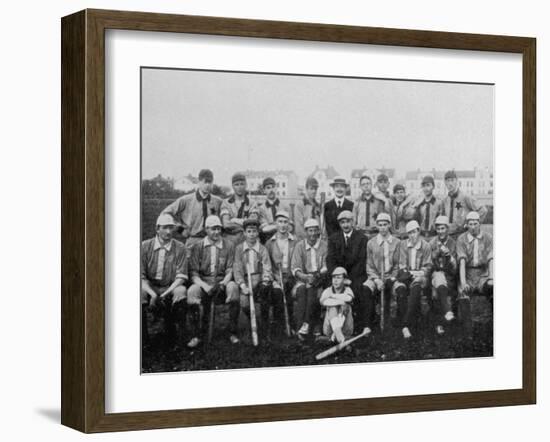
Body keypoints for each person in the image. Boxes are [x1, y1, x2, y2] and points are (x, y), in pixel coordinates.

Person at [187, 215, 241, 347]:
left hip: (223, 281)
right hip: (203, 282)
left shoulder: (229, 245)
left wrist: (223, 283)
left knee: (233, 288)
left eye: (218, 229)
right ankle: (196, 335)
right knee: (192, 292)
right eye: (213, 229)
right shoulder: (198, 247)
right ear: (206, 229)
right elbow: (193, 272)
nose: (216, 232)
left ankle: (232, 332)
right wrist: (204, 286)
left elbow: (230, 269)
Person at [141, 214, 188, 347]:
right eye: (165, 228)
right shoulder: (144, 246)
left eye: (171, 228)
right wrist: (153, 294)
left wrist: (165, 293)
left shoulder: (180, 247)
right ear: (157, 228)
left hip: (170, 285)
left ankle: (175, 336)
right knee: (138, 293)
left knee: (181, 292)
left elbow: (181, 276)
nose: (168, 232)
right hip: (150, 286)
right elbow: (140, 276)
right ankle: (143, 338)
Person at [326, 210, 369, 334]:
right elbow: (331, 260)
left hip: (357, 275)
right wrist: (340, 277)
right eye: (342, 222)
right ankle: (333, 324)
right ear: (339, 224)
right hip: (339, 276)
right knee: (333, 290)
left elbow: (362, 261)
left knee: (358, 289)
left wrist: (350, 279)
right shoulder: (333, 238)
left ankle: (357, 324)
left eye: (348, 222)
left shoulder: (362, 238)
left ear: (353, 222)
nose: (345, 225)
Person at [233, 218, 273, 341]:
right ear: (244, 233)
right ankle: (252, 323)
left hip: (259, 280)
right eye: (249, 231)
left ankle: (264, 328)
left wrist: (265, 280)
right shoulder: (239, 249)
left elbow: (267, 267)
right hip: (246, 281)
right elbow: (237, 269)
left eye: (254, 231)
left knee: (264, 299)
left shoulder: (262, 249)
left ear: (258, 233)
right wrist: (243, 286)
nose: (252, 234)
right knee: (245, 303)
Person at [162, 169, 222, 248]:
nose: (207, 185)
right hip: (193, 241)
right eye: (205, 182)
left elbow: (226, 218)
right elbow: (165, 214)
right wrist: (180, 229)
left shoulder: (218, 201)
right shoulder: (186, 200)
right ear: (199, 182)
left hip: (213, 241)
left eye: (210, 182)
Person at [456, 211, 493, 337]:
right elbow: (461, 261)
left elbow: (491, 259)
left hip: (483, 273)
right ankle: (468, 332)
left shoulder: (488, 238)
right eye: (470, 224)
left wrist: (491, 277)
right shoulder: (462, 239)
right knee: (463, 294)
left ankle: (494, 326)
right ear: (466, 225)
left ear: (479, 224)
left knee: (493, 289)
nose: (473, 227)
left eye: (475, 224)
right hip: (468, 273)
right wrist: (463, 282)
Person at [363, 213, 401, 335]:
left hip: (391, 276)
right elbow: (369, 265)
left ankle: (389, 323)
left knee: (392, 289)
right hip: (375, 276)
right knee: (366, 289)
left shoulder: (396, 242)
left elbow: (397, 264)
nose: (383, 228)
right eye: (380, 225)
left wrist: (392, 277)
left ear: (389, 225)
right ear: (377, 226)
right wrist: (376, 279)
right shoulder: (371, 243)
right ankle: (368, 324)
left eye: (385, 225)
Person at [394, 220, 433, 339]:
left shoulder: (426, 246)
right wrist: (409, 273)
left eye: (414, 232)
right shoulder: (403, 245)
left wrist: (416, 273)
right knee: (401, 289)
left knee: (416, 287)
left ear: (419, 232)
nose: (412, 235)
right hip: (406, 277)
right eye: (409, 233)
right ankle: (408, 321)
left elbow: (427, 267)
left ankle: (405, 324)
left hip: (420, 277)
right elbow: (402, 265)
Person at [291, 218, 328, 340]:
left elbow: (326, 266)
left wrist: (315, 276)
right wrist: (306, 278)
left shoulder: (324, 245)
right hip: (303, 279)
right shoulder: (299, 246)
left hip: (319, 278)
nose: (312, 234)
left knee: (314, 289)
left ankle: (307, 324)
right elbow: (295, 267)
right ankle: (303, 326)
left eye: (315, 231)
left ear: (318, 231)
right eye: (310, 231)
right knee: (302, 290)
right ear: (305, 232)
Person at [265, 210, 298, 337]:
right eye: (280, 222)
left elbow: (297, 262)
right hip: (275, 277)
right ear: (276, 224)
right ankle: (279, 325)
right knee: (277, 293)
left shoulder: (295, 241)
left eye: (285, 222)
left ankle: (290, 324)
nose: (283, 225)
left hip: (291, 277)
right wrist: (275, 279)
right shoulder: (270, 243)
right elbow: (267, 265)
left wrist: (291, 276)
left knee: (288, 290)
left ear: (289, 224)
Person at [429, 215, 457, 335]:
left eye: (443, 228)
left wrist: (449, 255)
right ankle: (445, 315)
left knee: (440, 289)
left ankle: (441, 323)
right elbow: (428, 262)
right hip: (435, 274)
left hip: (450, 275)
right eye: (438, 229)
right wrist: (436, 253)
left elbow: (455, 266)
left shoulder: (452, 243)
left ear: (447, 229)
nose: (440, 231)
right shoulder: (432, 242)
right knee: (436, 286)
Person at [442, 170, 488, 238]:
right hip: (448, 236)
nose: (450, 183)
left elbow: (483, 210)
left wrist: (472, 225)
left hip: (462, 234)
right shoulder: (445, 200)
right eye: (448, 181)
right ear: (445, 183)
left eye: (452, 180)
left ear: (457, 181)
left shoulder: (465, 197)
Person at [220, 172, 257, 246]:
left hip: (247, 240)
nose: (239, 187)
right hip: (229, 240)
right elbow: (226, 224)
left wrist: (234, 220)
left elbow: (252, 223)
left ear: (246, 185)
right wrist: (244, 223)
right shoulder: (226, 203)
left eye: (242, 184)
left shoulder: (252, 203)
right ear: (233, 186)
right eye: (236, 184)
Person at [320, 267, 355, 344]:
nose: (335, 280)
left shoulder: (347, 290)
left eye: (338, 278)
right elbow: (324, 302)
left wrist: (333, 296)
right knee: (332, 306)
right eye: (333, 278)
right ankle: (337, 332)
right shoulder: (328, 290)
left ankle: (337, 333)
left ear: (344, 280)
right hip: (329, 330)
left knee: (346, 305)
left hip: (346, 329)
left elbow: (349, 298)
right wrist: (340, 302)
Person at [353, 175, 388, 240]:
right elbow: (354, 220)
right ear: (360, 187)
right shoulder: (357, 202)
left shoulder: (378, 201)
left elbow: (382, 218)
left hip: (375, 234)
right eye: (363, 184)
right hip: (361, 234)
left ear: (371, 185)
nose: (366, 186)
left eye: (368, 184)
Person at [257, 177, 289, 244]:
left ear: (276, 188)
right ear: (264, 190)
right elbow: (264, 229)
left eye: (273, 187)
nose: (271, 190)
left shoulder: (285, 206)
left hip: (284, 240)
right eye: (268, 188)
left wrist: (271, 225)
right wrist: (281, 226)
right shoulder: (261, 209)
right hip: (268, 241)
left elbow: (290, 226)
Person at [411, 175, 443, 239]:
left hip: (434, 236)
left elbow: (441, 221)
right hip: (421, 236)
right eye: (424, 186)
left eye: (428, 185)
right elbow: (415, 220)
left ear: (433, 186)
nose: (426, 188)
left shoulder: (438, 203)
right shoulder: (419, 203)